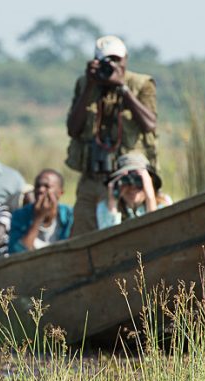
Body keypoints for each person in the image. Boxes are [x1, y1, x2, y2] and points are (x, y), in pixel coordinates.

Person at [65, 35, 159, 235]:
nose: (113, 65)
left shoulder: (141, 84)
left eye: (117, 60)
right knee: (82, 235)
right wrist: (90, 88)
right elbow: (73, 129)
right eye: (108, 61)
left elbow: (150, 124)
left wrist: (122, 89)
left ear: (125, 59)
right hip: (92, 177)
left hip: (128, 181)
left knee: (130, 235)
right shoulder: (85, 84)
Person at [96, 153, 171, 230]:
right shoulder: (105, 207)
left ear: (150, 182)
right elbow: (109, 239)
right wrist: (113, 205)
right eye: (125, 181)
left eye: (139, 180)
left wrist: (150, 198)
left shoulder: (163, 202)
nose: (132, 187)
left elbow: (161, 234)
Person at [9, 169, 73, 254]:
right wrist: (38, 218)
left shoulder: (70, 215)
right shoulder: (20, 215)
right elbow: (16, 254)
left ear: (60, 193)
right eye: (38, 186)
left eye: (47, 186)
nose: (41, 190)